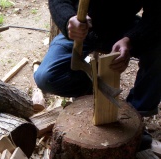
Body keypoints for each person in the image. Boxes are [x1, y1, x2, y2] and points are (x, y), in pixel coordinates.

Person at [34, 0, 161, 149]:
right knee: (46, 77)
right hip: (82, 27)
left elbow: (156, 14)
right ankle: (91, 92)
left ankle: (136, 115)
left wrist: (131, 39)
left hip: (125, 27)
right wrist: (68, 19)